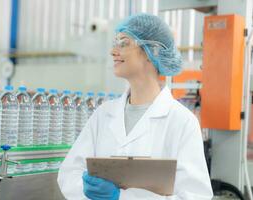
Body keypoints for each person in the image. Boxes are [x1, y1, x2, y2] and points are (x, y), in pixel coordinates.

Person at [58, 13, 213, 200]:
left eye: (123, 43)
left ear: (152, 51)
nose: (113, 51)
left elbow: (196, 196)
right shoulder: (103, 114)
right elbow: (69, 173)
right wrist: (87, 190)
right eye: (115, 43)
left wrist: (122, 197)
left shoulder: (182, 122)